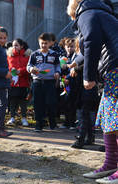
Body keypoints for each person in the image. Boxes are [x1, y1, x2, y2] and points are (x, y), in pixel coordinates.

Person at [67, 0, 118, 183]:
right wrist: (77, 62)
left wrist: (88, 76)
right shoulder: (102, 14)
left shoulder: (87, 14)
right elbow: (91, 45)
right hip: (112, 70)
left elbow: (91, 41)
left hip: (116, 68)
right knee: (108, 116)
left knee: (116, 118)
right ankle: (111, 162)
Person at [27, 33, 61, 132]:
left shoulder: (54, 54)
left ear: (50, 43)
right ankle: (39, 124)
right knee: (38, 103)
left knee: (51, 103)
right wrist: (31, 69)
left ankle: (52, 123)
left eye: (46, 43)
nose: (43, 46)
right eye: (42, 43)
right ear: (39, 43)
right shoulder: (34, 54)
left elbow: (57, 66)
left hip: (50, 82)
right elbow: (28, 66)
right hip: (37, 82)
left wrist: (57, 73)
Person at [6, 38, 32, 127]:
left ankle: (24, 118)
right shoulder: (9, 55)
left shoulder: (27, 56)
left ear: (21, 46)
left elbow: (29, 68)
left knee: (23, 101)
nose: (14, 47)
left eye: (16, 45)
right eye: (13, 45)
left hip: (23, 82)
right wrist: (11, 70)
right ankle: (12, 117)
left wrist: (20, 71)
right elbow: (6, 66)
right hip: (12, 82)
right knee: (12, 100)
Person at [59, 38, 78, 129]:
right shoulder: (63, 56)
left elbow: (73, 69)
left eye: (72, 47)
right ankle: (66, 122)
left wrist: (68, 78)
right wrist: (62, 79)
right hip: (64, 83)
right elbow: (61, 69)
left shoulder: (76, 56)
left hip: (72, 82)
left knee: (72, 103)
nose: (70, 48)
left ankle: (72, 122)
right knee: (64, 102)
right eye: (68, 47)